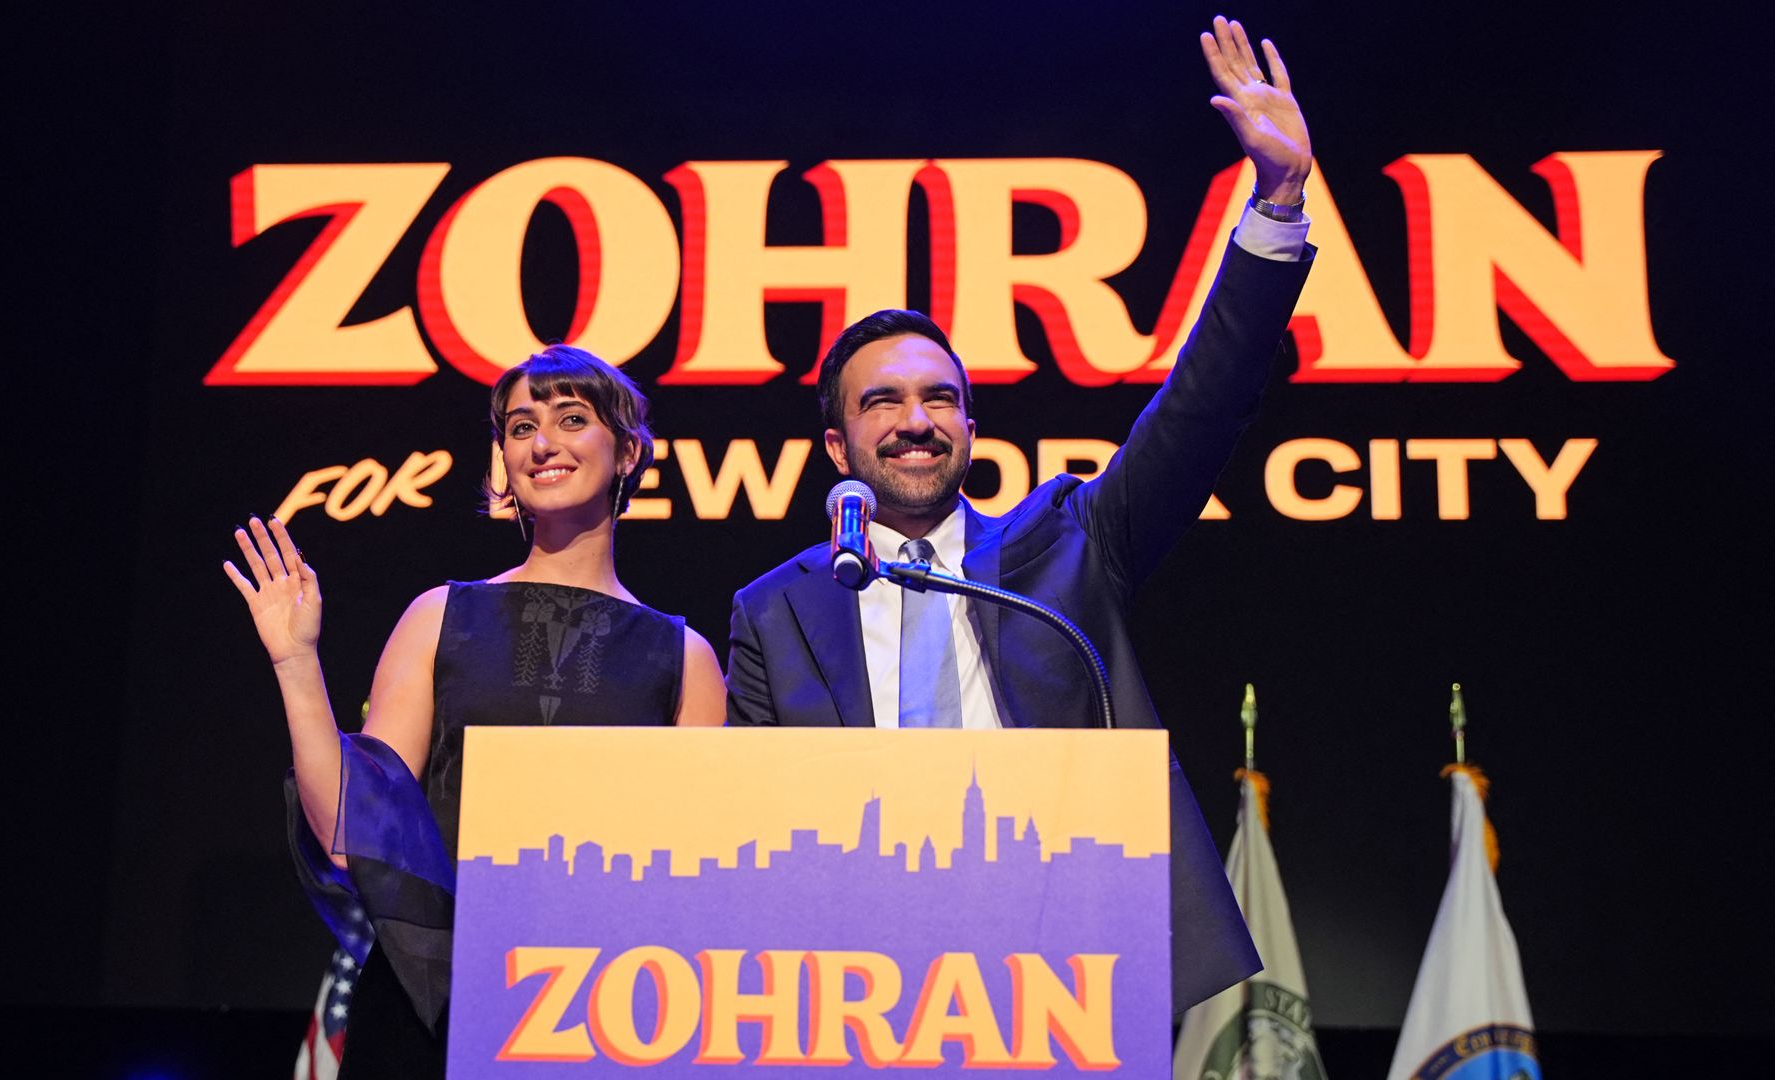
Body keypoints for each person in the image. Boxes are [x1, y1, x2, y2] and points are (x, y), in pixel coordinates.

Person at [723, 15, 1315, 1013]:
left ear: (970, 423)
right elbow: (742, 822)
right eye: (883, 403)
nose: (917, 422)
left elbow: (1206, 402)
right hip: (852, 977)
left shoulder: (1070, 543)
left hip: (1065, 956)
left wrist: (1279, 199)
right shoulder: (775, 613)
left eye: (939, 398)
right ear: (838, 449)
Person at [225, 345, 725, 1077]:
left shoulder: (685, 657)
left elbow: (699, 874)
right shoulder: (440, 617)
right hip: (432, 1002)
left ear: (626, 453)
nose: (543, 443)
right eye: (521, 428)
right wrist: (295, 661)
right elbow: (350, 834)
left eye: (572, 419)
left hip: (605, 1012)